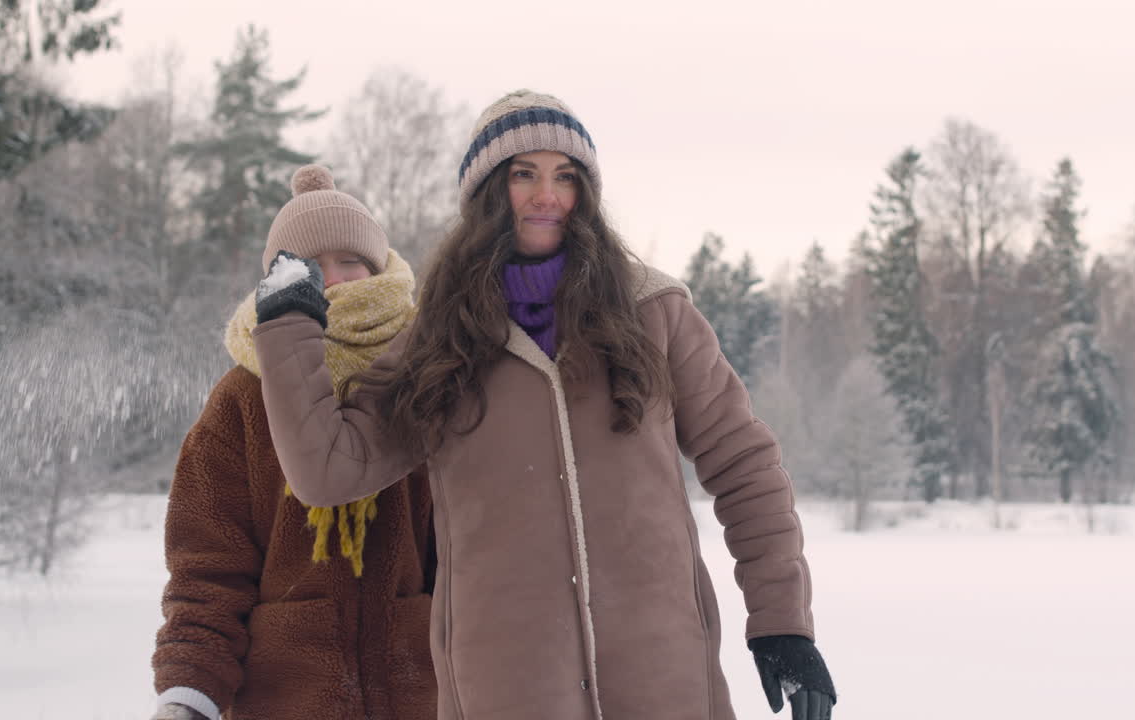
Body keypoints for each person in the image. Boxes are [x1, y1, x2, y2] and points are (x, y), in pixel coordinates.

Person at [251, 90, 836, 720]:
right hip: (505, 689)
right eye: (522, 175)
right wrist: (289, 327)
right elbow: (329, 469)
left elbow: (745, 464)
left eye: (565, 176)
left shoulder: (656, 314)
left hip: (664, 684)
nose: (546, 195)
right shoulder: (439, 339)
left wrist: (782, 622)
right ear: (486, 195)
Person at [150, 166, 436, 720]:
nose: (336, 281)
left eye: (351, 260)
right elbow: (207, 572)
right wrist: (188, 696)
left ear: (381, 265)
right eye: (311, 267)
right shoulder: (241, 399)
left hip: (422, 696)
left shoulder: (429, 380)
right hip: (282, 702)